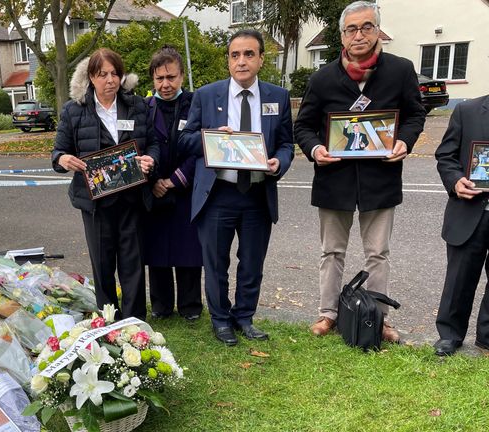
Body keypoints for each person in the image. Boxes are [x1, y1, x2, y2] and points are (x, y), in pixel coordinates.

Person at [293, 1, 426, 342]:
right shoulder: (323, 78)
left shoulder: (400, 70)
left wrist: (405, 142)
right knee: (331, 252)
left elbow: (414, 115)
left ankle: (378, 319)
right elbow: (304, 126)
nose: (359, 35)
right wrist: (315, 149)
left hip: (379, 179)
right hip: (333, 180)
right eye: (351, 29)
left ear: (378, 31)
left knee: (378, 253)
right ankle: (328, 314)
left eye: (366, 27)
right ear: (341, 36)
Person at [178, 29, 294, 345]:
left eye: (248, 54)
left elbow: (286, 144)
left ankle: (244, 317)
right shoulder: (206, 95)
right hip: (218, 193)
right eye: (234, 55)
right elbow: (185, 139)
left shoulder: (278, 97)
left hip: (258, 193)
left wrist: (278, 163)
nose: (241, 61)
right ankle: (220, 320)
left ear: (260, 59)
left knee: (252, 261)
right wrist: (211, 137)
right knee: (216, 263)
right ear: (228, 60)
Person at [52, 48, 158, 320]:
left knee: (132, 263)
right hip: (96, 203)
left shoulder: (136, 106)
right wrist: (64, 159)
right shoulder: (74, 110)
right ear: (91, 77)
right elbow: (58, 152)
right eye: (103, 74)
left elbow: (153, 143)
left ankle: (134, 320)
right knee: (102, 264)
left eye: (115, 73)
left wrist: (150, 160)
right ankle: (110, 320)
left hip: (131, 198)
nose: (110, 80)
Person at [142, 45, 203, 322]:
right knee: (158, 250)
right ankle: (161, 306)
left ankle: (190, 306)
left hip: (186, 189)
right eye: (159, 78)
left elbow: (200, 148)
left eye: (171, 77)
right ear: (152, 79)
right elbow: (139, 147)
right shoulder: (144, 108)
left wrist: (175, 180)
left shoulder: (195, 103)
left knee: (188, 248)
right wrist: (153, 180)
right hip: (153, 190)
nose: (165, 84)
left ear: (181, 76)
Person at [433, 95, 489, 356]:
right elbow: (446, 155)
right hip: (469, 209)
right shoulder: (467, 110)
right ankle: (450, 335)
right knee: (459, 278)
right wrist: (455, 181)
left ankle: (486, 338)